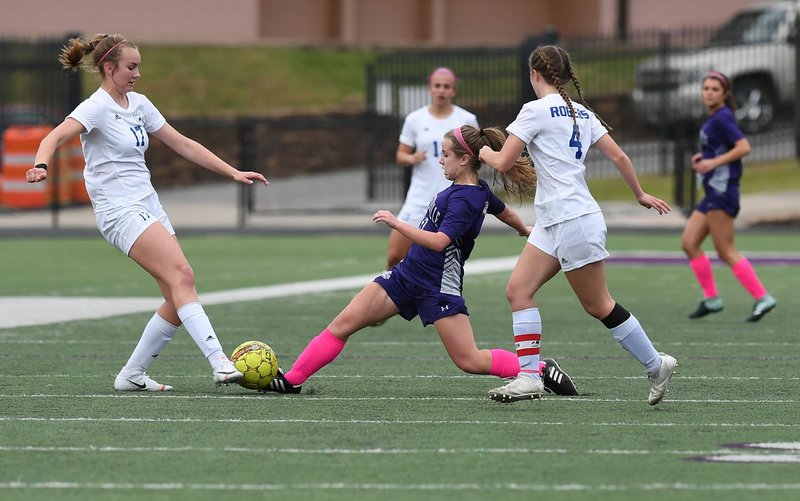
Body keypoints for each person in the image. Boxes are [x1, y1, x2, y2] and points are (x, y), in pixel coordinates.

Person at [25, 34, 269, 391]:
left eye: (138, 66)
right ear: (109, 68)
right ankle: (219, 361)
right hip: (119, 210)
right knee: (183, 276)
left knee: (176, 294)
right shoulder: (95, 107)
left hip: (148, 205)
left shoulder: (138, 103)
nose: (137, 73)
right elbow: (53, 138)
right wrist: (40, 165)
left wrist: (232, 171)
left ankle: (132, 374)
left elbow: (183, 143)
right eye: (131, 66)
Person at [262, 125, 577, 396]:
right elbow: (500, 208)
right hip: (405, 276)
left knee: (469, 360)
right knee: (343, 324)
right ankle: (292, 380)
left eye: (446, 154)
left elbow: (440, 242)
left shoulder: (466, 200)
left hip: (438, 288)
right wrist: (522, 227)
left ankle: (538, 368)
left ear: (465, 159)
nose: (440, 160)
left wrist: (398, 223)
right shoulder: (475, 190)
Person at [478, 45, 677, 406]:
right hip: (556, 220)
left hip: (572, 219)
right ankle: (528, 377)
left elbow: (504, 162)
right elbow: (618, 154)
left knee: (598, 304)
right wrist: (640, 193)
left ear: (534, 74)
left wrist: (483, 153)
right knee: (518, 290)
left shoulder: (534, 110)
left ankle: (656, 363)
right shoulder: (581, 112)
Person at [681, 71, 777, 322]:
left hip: (723, 193)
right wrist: (705, 157)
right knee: (690, 243)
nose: (709, 93)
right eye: (706, 88)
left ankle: (763, 297)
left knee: (725, 250)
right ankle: (712, 299)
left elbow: (744, 147)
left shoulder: (723, 117)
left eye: (715, 89)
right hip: (712, 192)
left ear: (725, 94)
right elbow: (721, 148)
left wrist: (713, 162)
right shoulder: (714, 118)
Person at [386, 67, 479, 271]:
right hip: (420, 197)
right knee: (395, 256)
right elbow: (400, 155)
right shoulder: (415, 119)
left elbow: (475, 156)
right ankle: (390, 298)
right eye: (437, 86)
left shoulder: (466, 120)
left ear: (453, 91)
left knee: (440, 260)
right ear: (430, 89)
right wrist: (412, 157)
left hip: (450, 198)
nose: (441, 90)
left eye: (447, 87)